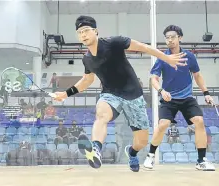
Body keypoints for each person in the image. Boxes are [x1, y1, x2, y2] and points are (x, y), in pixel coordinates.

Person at [52, 16, 187, 172]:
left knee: (142, 141)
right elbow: (86, 80)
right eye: (80, 32)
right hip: (110, 94)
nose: (83, 34)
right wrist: (65, 94)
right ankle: (95, 149)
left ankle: (132, 152)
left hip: (133, 94)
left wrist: (166, 58)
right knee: (101, 114)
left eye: (86, 30)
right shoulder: (87, 59)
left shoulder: (113, 42)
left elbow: (143, 47)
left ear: (95, 31)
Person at [143, 25, 215, 171]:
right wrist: (161, 91)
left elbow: (197, 76)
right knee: (163, 124)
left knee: (199, 122)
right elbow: (153, 78)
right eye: (167, 38)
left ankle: (201, 160)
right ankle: (150, 156)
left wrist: (206, 93)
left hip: (187, 98)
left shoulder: (189, 57)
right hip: (169, 98)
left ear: (180, 38)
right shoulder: (163, 58)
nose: (169, 40)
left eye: (173, 37)